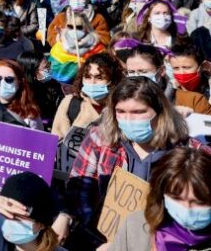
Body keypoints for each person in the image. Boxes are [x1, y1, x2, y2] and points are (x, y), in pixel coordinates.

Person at [67, 77, 209, 228]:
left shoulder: (192, 151)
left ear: (160, 112)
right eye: (121, 111)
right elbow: (79, 191)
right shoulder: (99, 139)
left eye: (138, 112)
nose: (128, 120)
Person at [103, 147, 211, 251]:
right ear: (162, 194)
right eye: (177, 199)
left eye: (198, 202)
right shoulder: (135, 225)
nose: (187, 209)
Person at [51, 53, 124, 140]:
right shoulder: (70, 103)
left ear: (112, 81)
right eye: (88, 77)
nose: (92, 83)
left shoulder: (121, 107)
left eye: (99, 78)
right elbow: (56, 140)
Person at [0, 58, 43, 129]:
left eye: (9, 79)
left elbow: (38, 138)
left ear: (19, 82)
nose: (2, 83)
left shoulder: (29, 115)